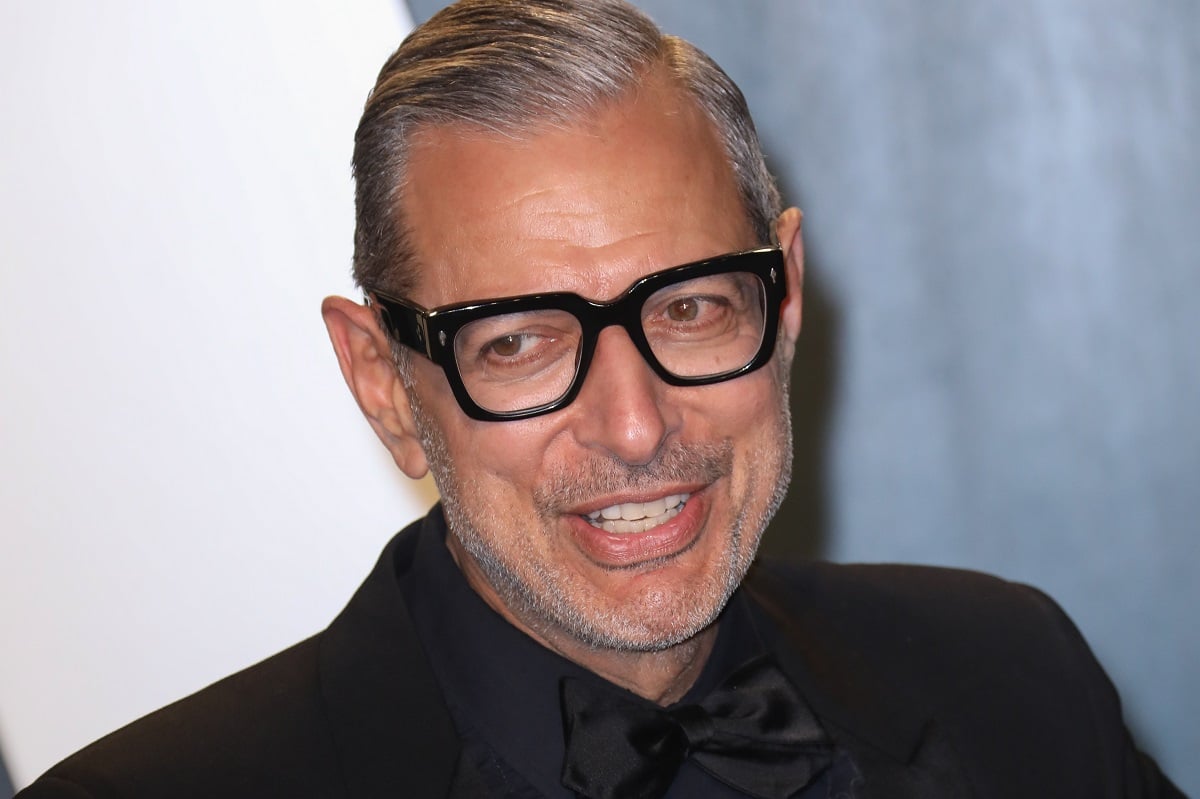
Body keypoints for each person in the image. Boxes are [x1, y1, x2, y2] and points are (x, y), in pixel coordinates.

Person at [18, 1, 1185, 797]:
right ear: (385, 382)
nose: (636, 427)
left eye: (690, 308)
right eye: (519, 343)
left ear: (783, 296)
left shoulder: (1015, 678)